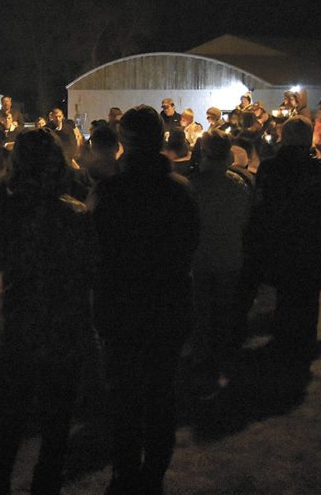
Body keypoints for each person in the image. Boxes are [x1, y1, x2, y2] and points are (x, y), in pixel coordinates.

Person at [0, 129, 95, 495]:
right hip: (62, 330)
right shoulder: (74, 215)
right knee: (56, 427)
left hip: (16, 327)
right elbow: (90, 270)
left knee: (8, 424)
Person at [88, 105, 200, 495]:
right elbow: (190, 246)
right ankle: (153, 475)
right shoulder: (180, 191)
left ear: (125, 142)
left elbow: (94, 254)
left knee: (124, 396)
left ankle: (125, 474)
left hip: (121, 308)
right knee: (160, 393)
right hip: (167, 306)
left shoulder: (108, 192)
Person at [236, 116, 321, 364]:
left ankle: (283, 348)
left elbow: (260, 208)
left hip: (279, 245)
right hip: (313, 247)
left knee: (285, 294)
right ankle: (302, 349)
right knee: (308, 300)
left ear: (284, 138)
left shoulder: (269, 168)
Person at [187, 131, 250, 397]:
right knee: (224, 311)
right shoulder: (238, 184)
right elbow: (244, 221)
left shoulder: (192, 185)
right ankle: (222, 358)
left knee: (200, 312)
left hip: (199, 259)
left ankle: (201, 359)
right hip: (229, 257)